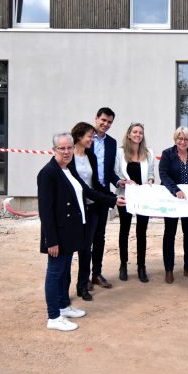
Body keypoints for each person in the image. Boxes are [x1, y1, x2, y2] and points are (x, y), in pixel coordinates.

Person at [37, 132, 124, 332]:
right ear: (54, 150)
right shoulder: (48, 173)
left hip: (71, 231)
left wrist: (113, 200)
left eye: (69, 148)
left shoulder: (68, 169)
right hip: (58, 234)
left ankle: (62, 306)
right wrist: (51, 241)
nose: (67, 152)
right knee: (55, 273)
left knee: (64, 271)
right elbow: (46, 212)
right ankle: (53, 317)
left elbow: (88, 191)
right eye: (62, 148)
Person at [68, 122, 109, 302]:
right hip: (75, 209)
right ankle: (64, 290)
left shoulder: (90, 156)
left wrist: (111, 194)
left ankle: (82, 286)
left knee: (87, 249)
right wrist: (112, 200)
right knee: (73, 249)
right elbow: (83, 187)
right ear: (79, 137)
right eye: (89, 137)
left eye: (93, 137)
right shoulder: (69, 158)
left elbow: (95, 184)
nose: (92, 140)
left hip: (92, 207)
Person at [158, 126, 188, 284]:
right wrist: (176, 190)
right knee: (170, 234)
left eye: (186, 139)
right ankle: (168, 269)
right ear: (175, 139)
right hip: (172, 199)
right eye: (180, 138)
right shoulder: (167, 154)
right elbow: (163, 174)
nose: (182, 142)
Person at [115, 122, 155, 283]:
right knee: (124, 230)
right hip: (125, 196)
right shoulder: (119, 153)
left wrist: (151, 180)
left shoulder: (149, 153)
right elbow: (115, 173)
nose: (138, 135)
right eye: (135, 132)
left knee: (141, 232)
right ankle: (123, 265)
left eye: (140, 132)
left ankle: (141, 266)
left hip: (142, 197)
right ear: (129, 134)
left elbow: (151, 173)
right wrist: (123, 182)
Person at [90, 107, 122, 291]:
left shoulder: (112, 143)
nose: (105, 124)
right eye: (103, 120)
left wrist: (118, 181)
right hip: (87, 195)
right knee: (86, 238)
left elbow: (109, 171)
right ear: (96, 118)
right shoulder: (85, 138)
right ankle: (84, 276)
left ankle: (97, 273)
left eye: (109, 122)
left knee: (100, 237)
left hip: (103, 196)